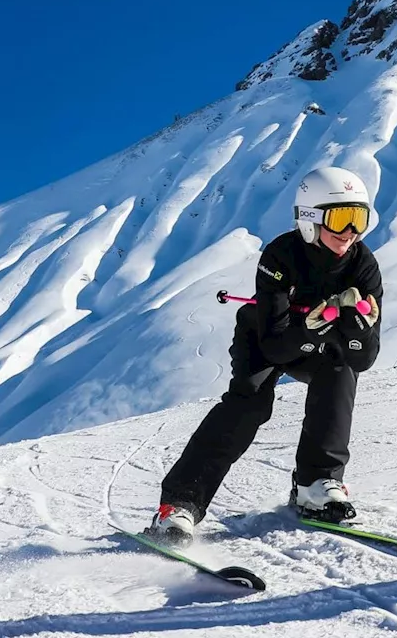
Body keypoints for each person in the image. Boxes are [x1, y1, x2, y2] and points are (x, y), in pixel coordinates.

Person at [149, 167, 383, 544]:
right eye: (340, 217)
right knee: (249, 404)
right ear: (309, 218)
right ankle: (178, 506)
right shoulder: (280, 256)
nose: (350, 231)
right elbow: (274, 345)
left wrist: (358, 331)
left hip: (316, 342)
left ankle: (316, 485)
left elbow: (364, 359)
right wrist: (313, 325)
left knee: (340, 373)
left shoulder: (363, 265)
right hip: (263, 336)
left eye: (359, 218)